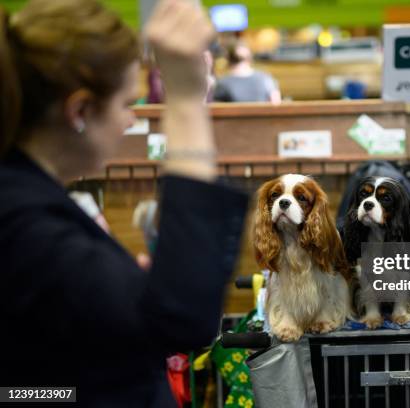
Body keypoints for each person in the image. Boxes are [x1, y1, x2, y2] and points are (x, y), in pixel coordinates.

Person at [0, 0, 248, 406]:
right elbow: (182, 316)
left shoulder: (27, 198)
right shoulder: (23, 223)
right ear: (79, 111)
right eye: (126, 104)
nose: (130, 120)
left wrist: (122, 287)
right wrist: (185, 101)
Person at [213, 41, 281, 104]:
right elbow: (276, 104)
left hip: (234, 116)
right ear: (250, 59)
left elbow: (216, 109)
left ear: (228, 60)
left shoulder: (223, 82)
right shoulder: (266, 78)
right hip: (263, 116)